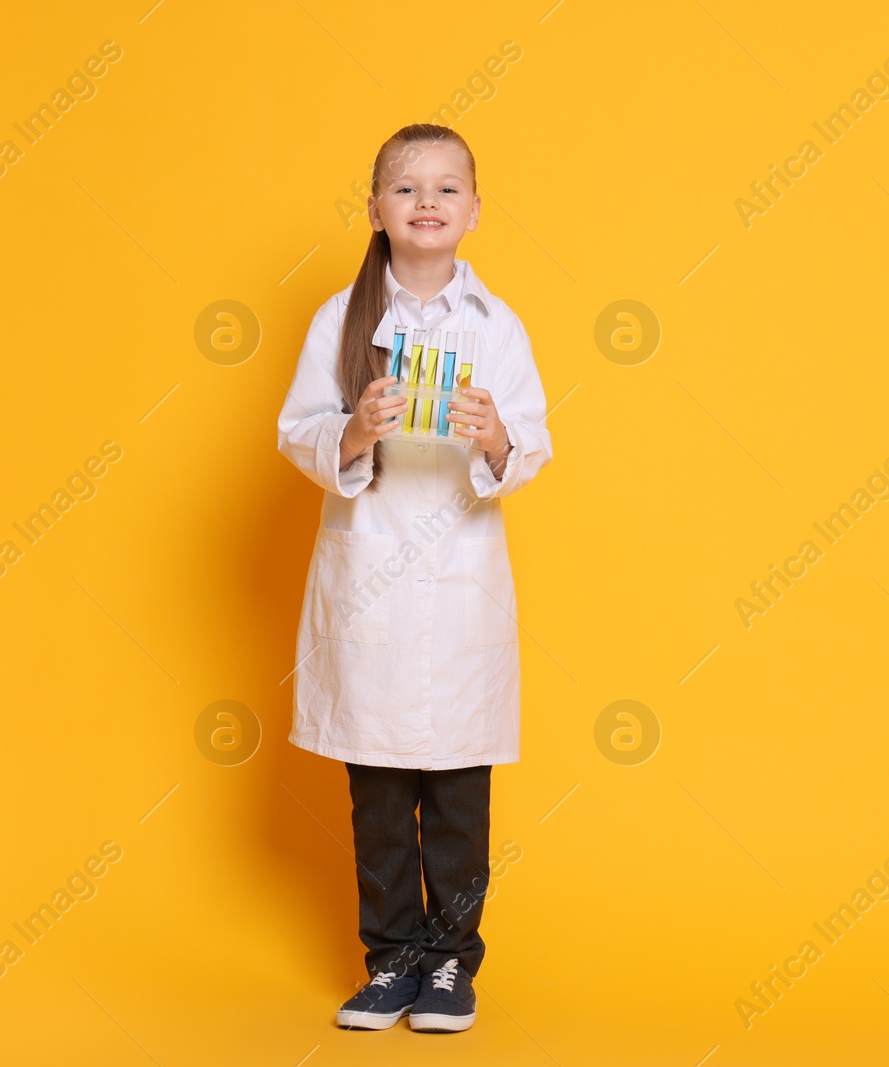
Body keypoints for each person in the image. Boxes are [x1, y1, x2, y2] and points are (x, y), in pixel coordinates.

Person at [276, 123, 553, 1033]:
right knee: (383, 795)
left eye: (445, 189)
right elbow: (297, 432)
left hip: (463, 587)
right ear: (376, 210)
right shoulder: (341, 320)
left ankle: (450, 967)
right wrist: (355, 429)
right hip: (372, 594)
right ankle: (391, 959)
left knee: (460, 799)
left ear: (474, 210)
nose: (426, 202)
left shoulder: (495, 324)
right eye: (406, 188)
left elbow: (534, 446)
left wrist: (492, 438)